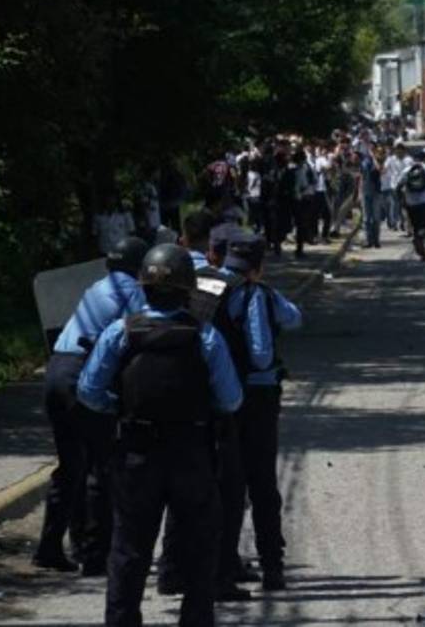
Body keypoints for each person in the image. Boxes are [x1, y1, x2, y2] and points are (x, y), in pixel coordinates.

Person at [77, 244, 242, 627]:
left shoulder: (122, 333)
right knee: (200, 550)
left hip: (137, 454)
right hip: (192, 454)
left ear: (143, 288)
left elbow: (88, 391)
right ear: (188, 290)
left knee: (128, 552)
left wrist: (119, 408)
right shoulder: (205, 337)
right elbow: (231, 399)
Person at [34, 237, 149, 576]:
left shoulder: (96, 287)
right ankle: (95, 554)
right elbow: (135, 340)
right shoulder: (134, 293)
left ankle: (51, 547)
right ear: (139, 267)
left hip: (56, 371)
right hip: (83, 374)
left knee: (71, 466)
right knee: (103, 464)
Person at [218, 233, 303, 592]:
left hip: (218, 398)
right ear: (259, 265)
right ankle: (272, 568)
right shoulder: (257, 295)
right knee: (262, 485)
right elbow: (265, 350)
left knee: (225, 484)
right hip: (257, 396)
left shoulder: (206, 288)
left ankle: (224, 565)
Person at [402, 149, 425, 261]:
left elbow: (398, 186)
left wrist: (403, 202)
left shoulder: (406, 170)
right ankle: (419, 240)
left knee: (416, 226)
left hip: (411, 203)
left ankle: (421, 249)